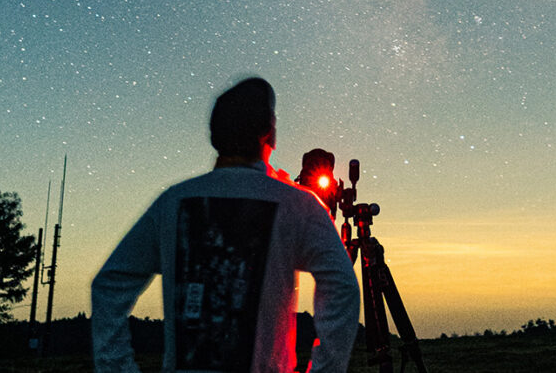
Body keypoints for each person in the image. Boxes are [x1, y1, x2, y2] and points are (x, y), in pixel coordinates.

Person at [92, 77, 360, 373]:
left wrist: (117, 367)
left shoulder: (172, 202)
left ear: (214, 134)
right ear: (269, 132)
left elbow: (109, 285)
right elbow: (343, 288)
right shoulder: (299, 205)